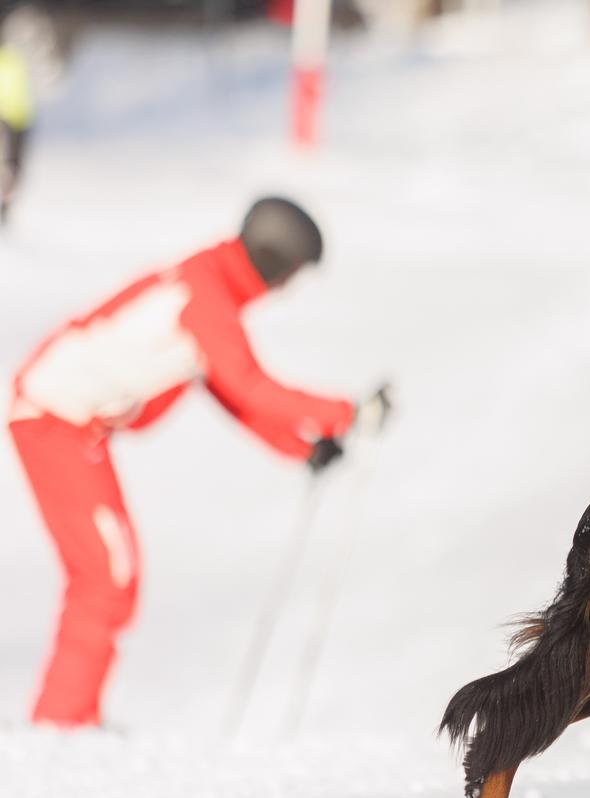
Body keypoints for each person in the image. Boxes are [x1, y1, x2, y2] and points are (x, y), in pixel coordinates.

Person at [8, 197, 385, 730]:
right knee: (105, 573)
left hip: (69, 426)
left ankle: (72, 717)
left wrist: (302, 446)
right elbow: (251, 385)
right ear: (273, 261)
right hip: (53, 422)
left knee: (110, 573)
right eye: (291, 275)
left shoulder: (208, 285)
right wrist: (349, 412)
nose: (286, 289)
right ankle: (62, 721)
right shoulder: (203, 296)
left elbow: (231, 391)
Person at [0, 30, 33, 228]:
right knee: (10, 167)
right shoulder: (11, 59)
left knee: (14, 168)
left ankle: (6, 205)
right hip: (9, 119)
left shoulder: (16, 58)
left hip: (21, 118)